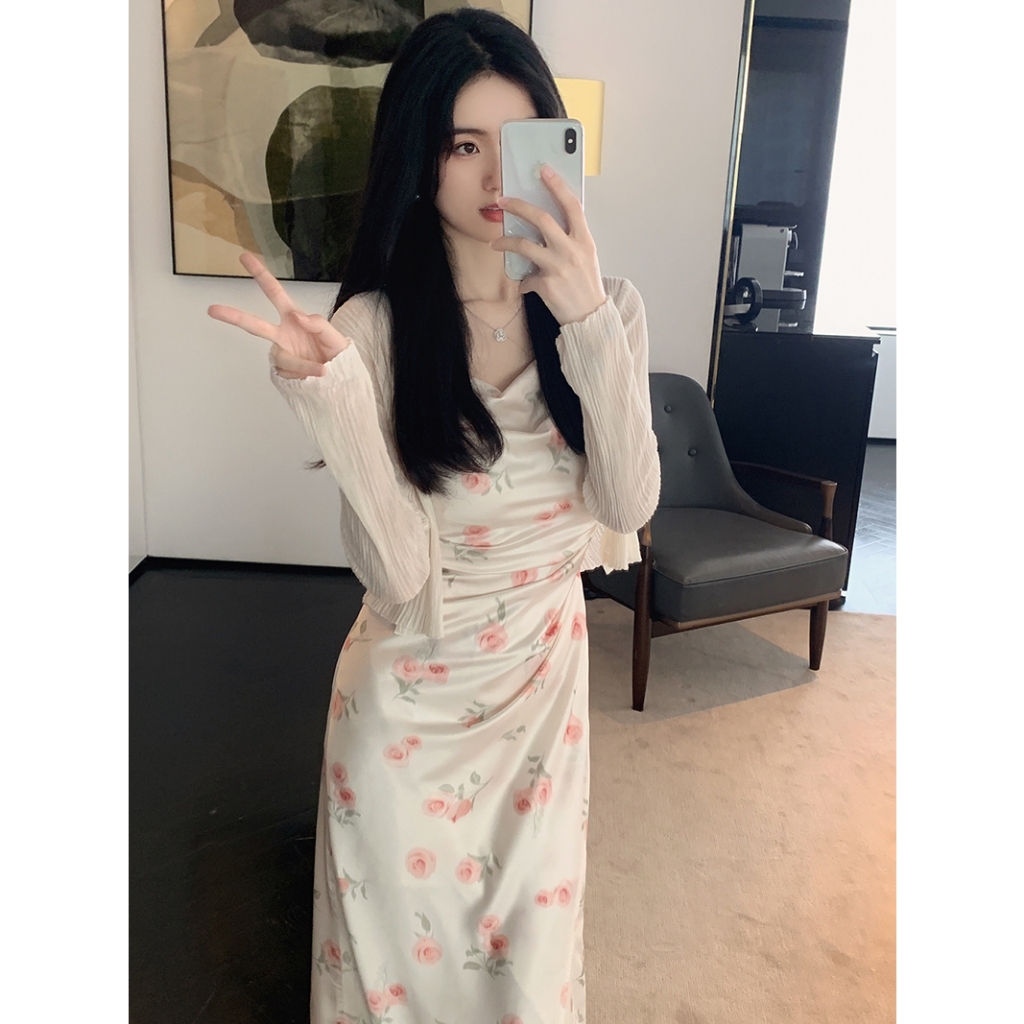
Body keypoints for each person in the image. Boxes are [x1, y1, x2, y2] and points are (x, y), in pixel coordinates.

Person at [208, 9, 660, 1023]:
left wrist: (585, 319)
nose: (496, 175)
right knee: (397, 990)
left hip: (541, 701)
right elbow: (399, 575)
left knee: (527, 981)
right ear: (419, 159)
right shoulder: (369, 329)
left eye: (519, 140)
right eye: (463, 146)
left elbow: (627, 505)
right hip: (406, 712)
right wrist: (331, 404)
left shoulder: (611, 310)